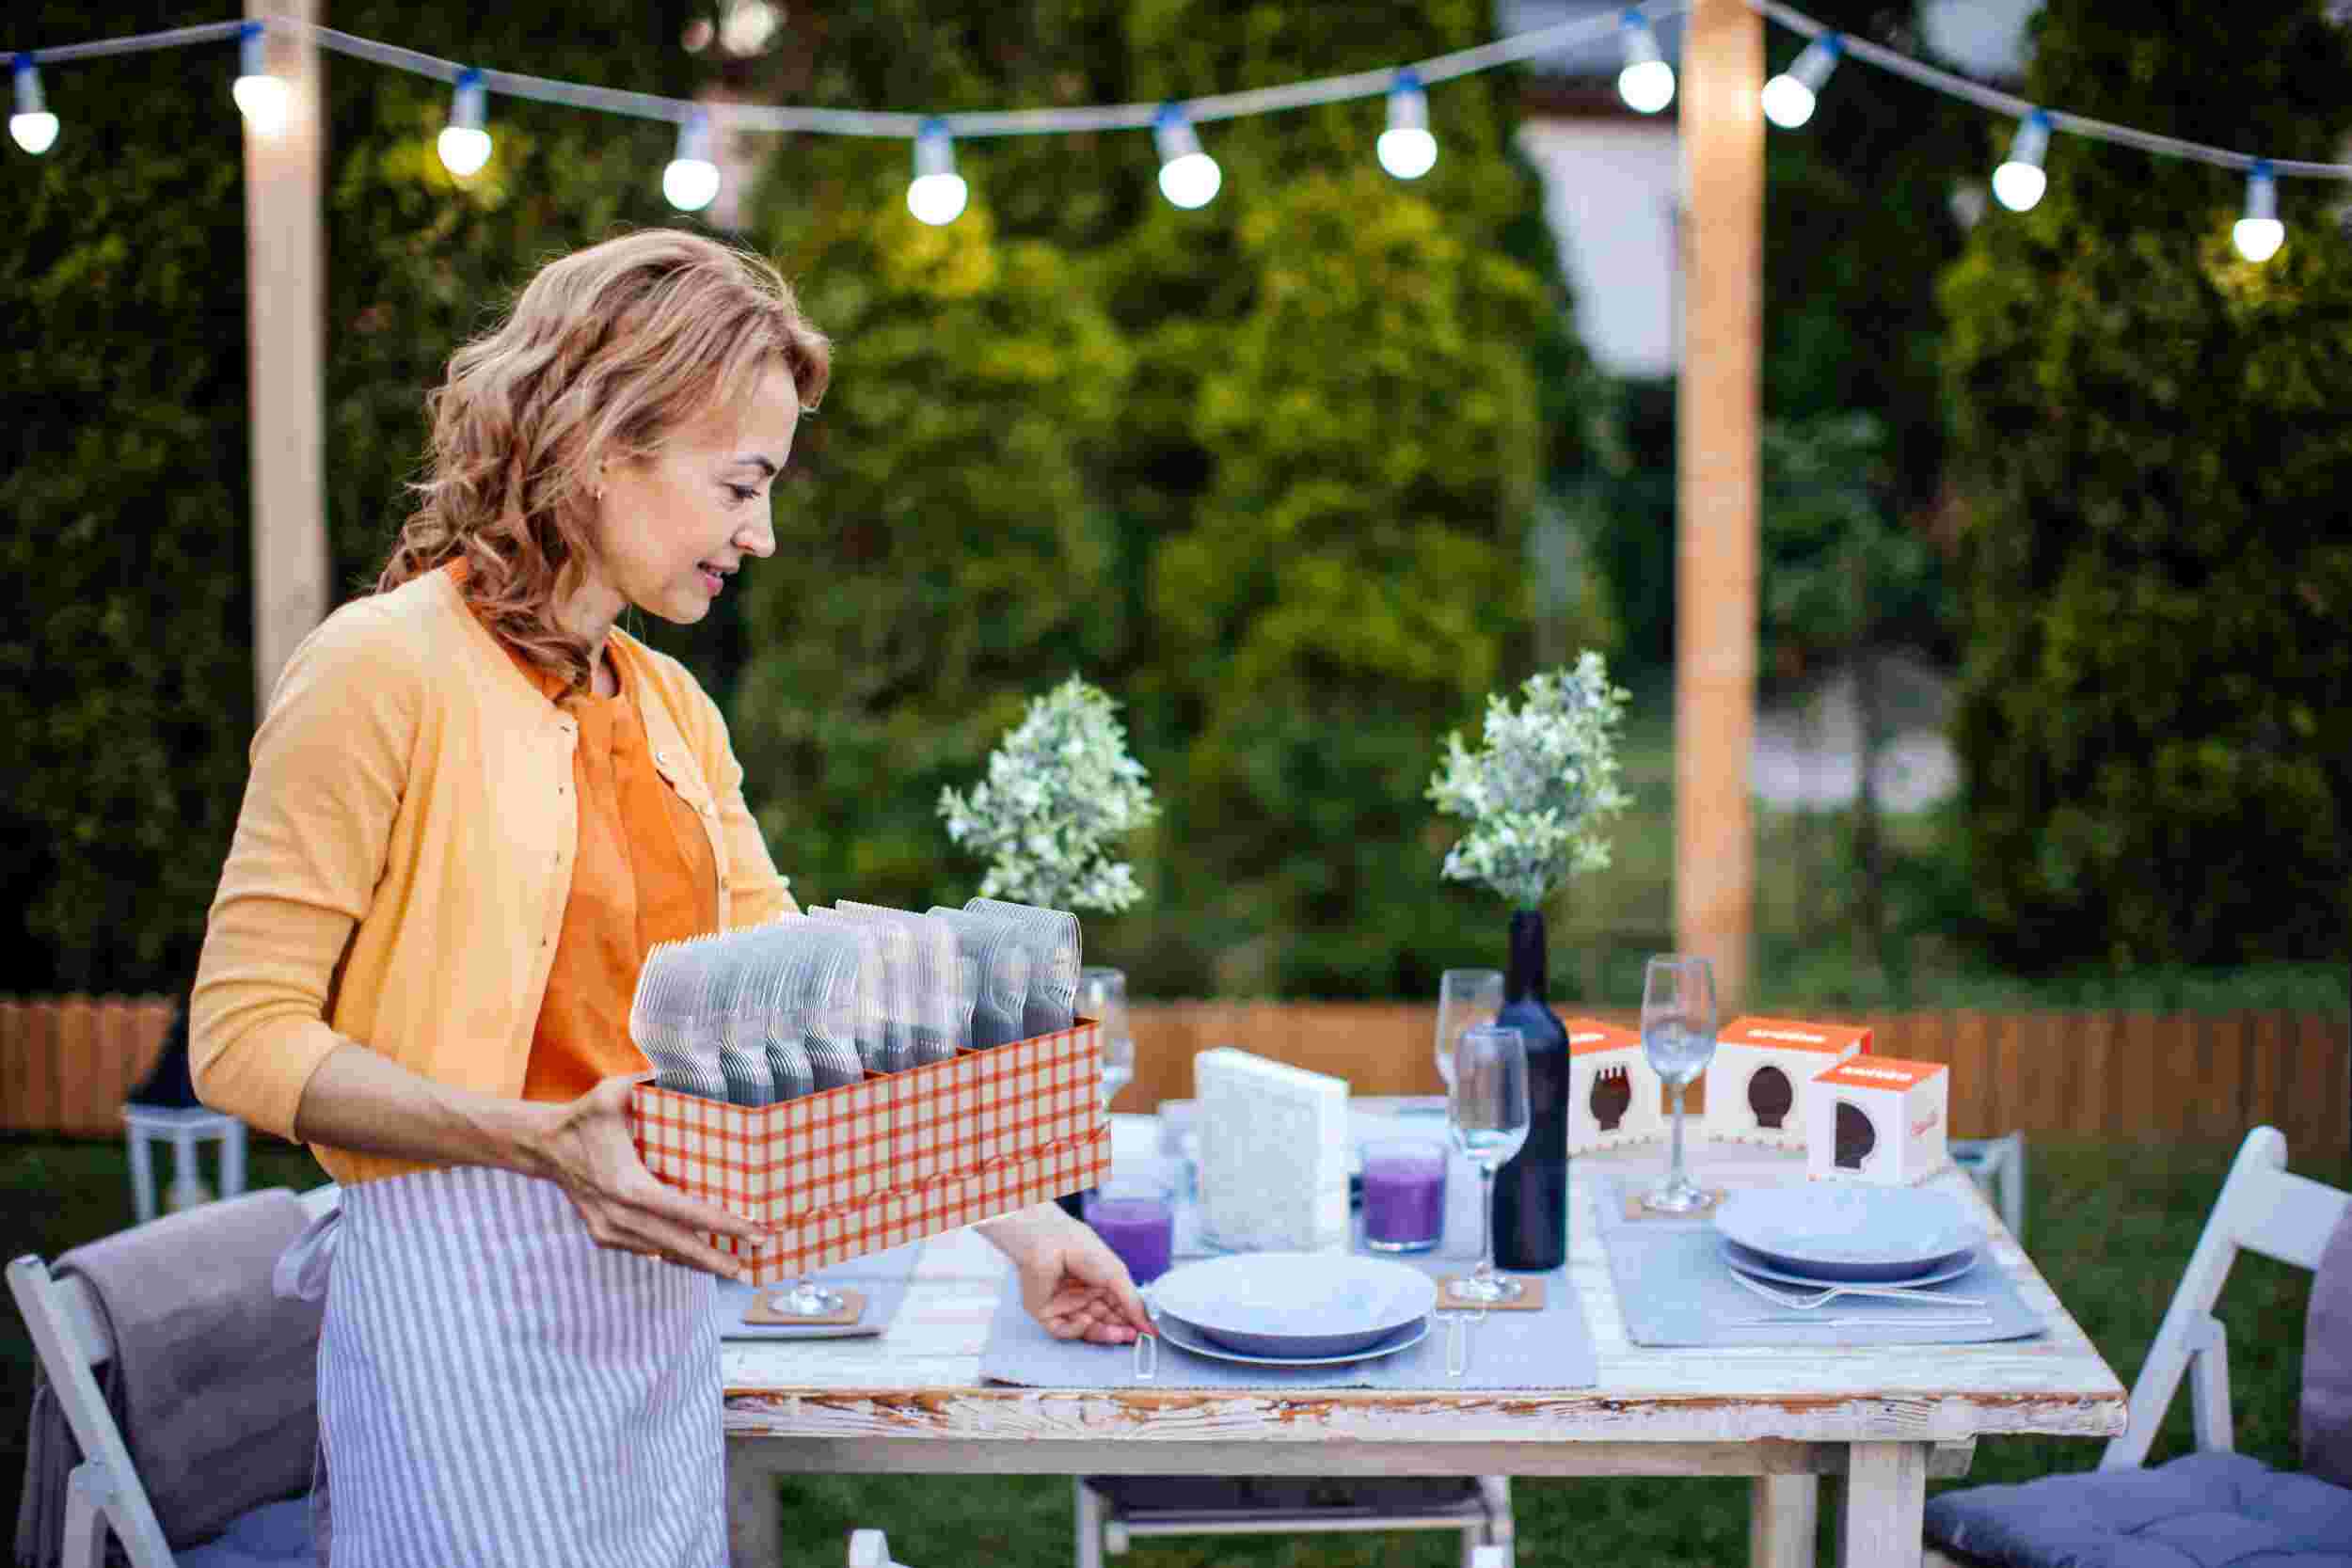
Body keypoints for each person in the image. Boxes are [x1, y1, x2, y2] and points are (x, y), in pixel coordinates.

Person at [191, 228, 1150, 1568]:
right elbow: (242, 1041)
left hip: (657, 1301)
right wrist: (537, 1141)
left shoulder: (672, 709)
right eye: (739, 485)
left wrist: (1026, 1232)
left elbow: (804, 1013)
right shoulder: (379, 671)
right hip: (453, 1304)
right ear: (600, 445)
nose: (762, 534)